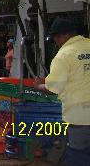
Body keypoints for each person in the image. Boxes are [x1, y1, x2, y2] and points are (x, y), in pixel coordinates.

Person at [33, 18, 90, 166]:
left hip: (80, 116)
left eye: (55, 39)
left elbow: (52, 89)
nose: (56, 43)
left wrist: (38, 85)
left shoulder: (64, 54)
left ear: (63, 36)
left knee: (79, 156)